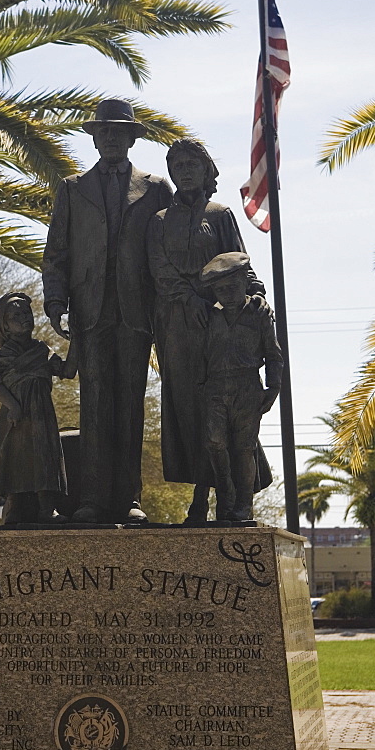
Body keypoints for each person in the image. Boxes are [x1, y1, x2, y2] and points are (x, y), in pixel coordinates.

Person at [42, 99, 173, 523]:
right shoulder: (73, 188)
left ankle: (129, 498)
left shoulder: (155, 188)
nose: (112, 138)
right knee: (95, 406)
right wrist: (55, 301)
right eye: (105, 132)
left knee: (130, 406)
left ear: (133, 139)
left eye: (120, 132)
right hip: (90, 311)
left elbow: (166, 252)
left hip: (137, 313)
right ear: (95, 138)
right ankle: (93, 499)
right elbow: (57, 252)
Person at [146, 138, 268, 520]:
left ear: (205, 170)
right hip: (177, 327)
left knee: (223, 409)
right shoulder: (159, 221)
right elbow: (159, 271)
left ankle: (230, 495)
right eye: (177, 164)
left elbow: (238, 261)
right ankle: (201, 492)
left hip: (219, 325)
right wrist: (189, 299)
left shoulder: (220, 214)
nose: (184, 170)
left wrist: (258, 293)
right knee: (188, 408)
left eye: (191, 164)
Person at [199, 252, 283, 522]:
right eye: (220, 289)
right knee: (214, 442)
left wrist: (273, 388)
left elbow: (273, 354)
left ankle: (243, 504)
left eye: (232, 287)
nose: (227, 294)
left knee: (244, 447)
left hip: (247, 386)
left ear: (244, 284)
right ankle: (226, 492)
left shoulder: (259, 313)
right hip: (215, 387)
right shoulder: (209, 316)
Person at [0, 292, 67, 524]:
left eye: (26, 312)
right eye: (16, 314)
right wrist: (12, 405)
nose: (24, 317)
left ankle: (47, 508)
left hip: (41, 413)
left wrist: (81, 342)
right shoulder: (2, 356)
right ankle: (14, 507)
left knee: (44, 455)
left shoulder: (42, 350)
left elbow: (66, 371)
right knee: (16, 458)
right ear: (5, 325)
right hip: (17, 415)